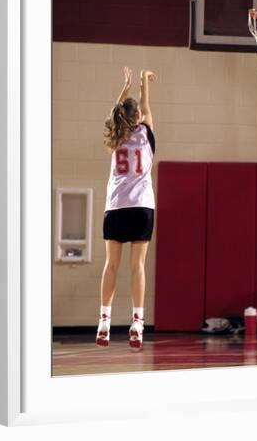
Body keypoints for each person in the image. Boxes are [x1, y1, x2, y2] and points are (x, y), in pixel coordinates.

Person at [96, 66, 156, 350]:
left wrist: (125, 87)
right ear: (138, 119)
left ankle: (104, 322)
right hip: (142, 206)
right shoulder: (145, 134)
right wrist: (144, 81)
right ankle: (137, 322)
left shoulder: (115, 135)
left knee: (112, 265)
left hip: (116, 207)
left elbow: (115, 113)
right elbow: (144, 106)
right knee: (138, 266)